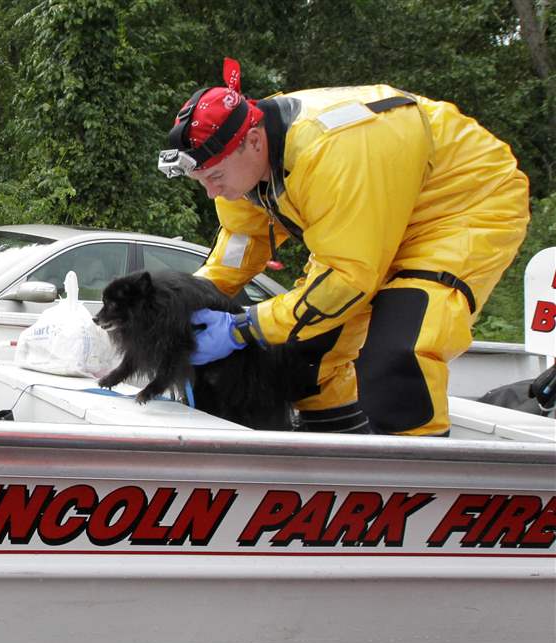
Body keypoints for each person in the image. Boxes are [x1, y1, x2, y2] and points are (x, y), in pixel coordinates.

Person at [160, 58, 529, 436]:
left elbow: (348, 278)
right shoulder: (244, 157)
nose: (211, 191)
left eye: (215, 177)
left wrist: (243, 327)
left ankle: (417, 486)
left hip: (460, 206)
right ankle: (338, 471)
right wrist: (182, 303)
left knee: (397, 356)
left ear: (254, 142)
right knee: (303, 357)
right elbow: (240, 244)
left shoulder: (328, 151)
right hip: (373, 220)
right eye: (202, 180)